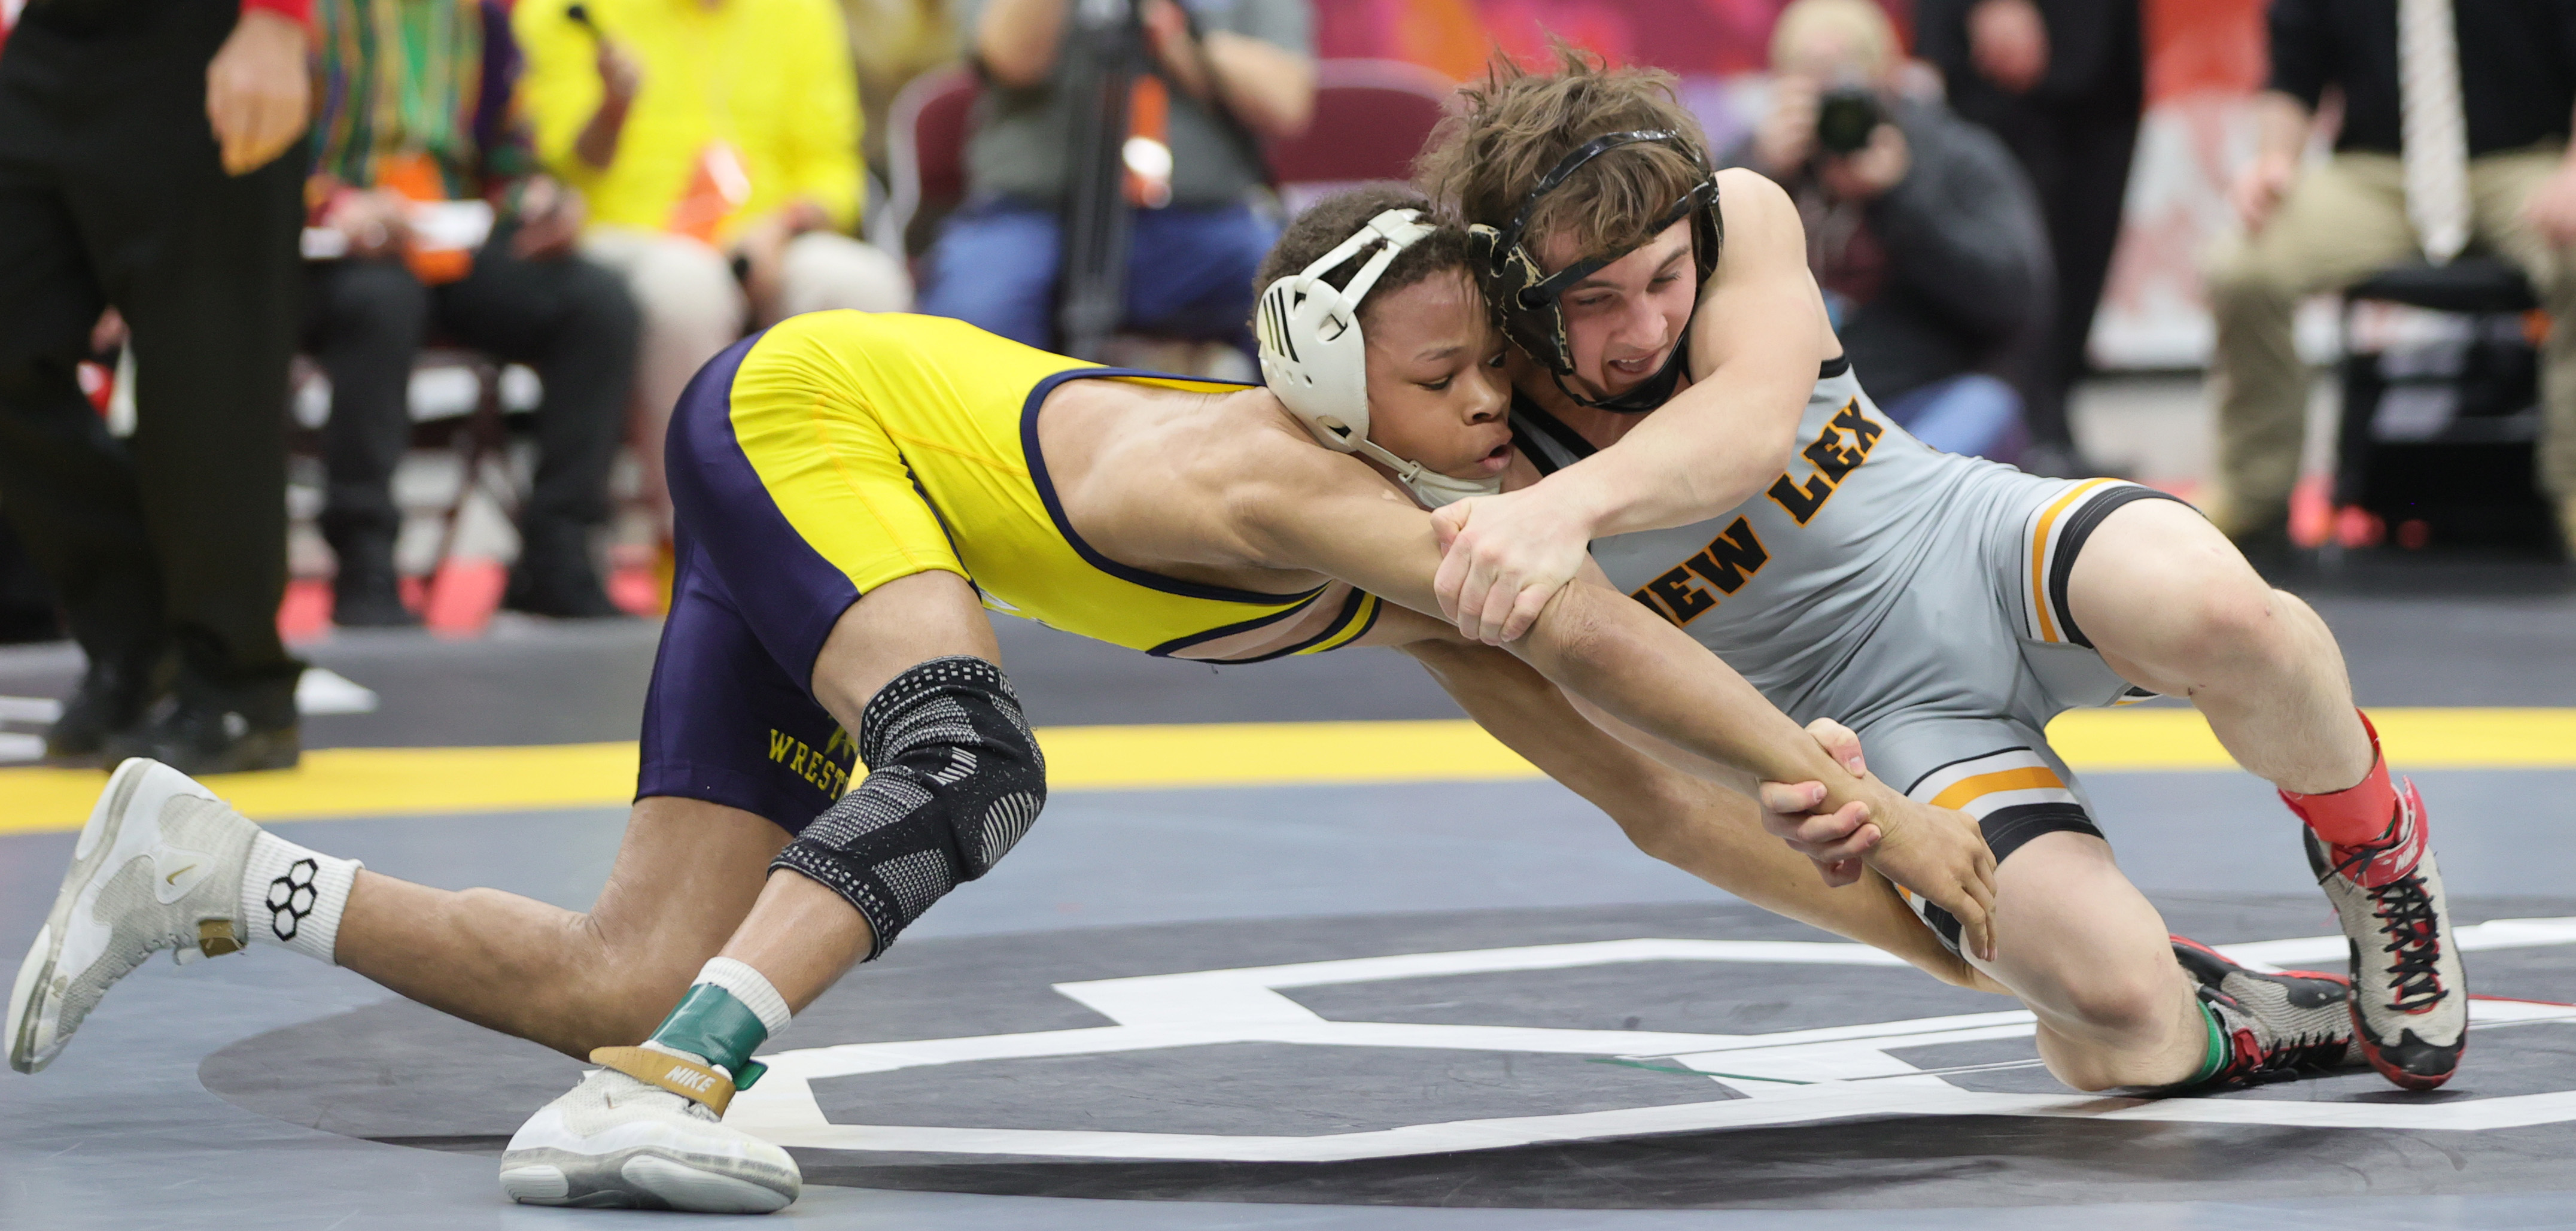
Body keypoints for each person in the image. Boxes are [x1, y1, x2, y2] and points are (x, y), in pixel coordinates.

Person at [10, 187, 2005, 1214]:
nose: (1495, 412)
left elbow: (1654, 802)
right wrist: (1889, 799)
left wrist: (1948, 936)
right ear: (1330, 384)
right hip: (806, 415)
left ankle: (215, 870)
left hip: (844, 494)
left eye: (1498, 367)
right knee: (963, 756)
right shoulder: (1306, 488)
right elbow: (1595, 631)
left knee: (615, 966)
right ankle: (671, 1090)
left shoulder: (1415, 546)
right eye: (1446, 381)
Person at [1416, 48, 2464, 1101]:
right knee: (2117, 1018)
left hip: (1974, 550)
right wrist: (1766, 778)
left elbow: (1745, 429)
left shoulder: (1739, 213)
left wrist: (1560, 508)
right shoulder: (1472, 421)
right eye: (1595, 299)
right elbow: (1607, 690)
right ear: (1511, 287)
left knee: (2232, 613)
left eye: (1663, 278)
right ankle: (2217, 1017)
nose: (1644, 329)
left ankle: (2379, 860)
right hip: (1872, 731)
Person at [0, 0, 314, 773]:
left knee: (209, 376)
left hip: (201, 34)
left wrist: (276, 21)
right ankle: (139, 635)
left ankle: (239, 681)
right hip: (49, 37)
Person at [303, 0, 640, 624]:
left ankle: (556, 553)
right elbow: (260, 147)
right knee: (382, 302)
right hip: (333, 245)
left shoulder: (478, 16)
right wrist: (332, 205)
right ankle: (364, 558)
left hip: (450, 235)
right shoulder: (304, 15)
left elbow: (510, 155)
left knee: (597, 302)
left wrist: (539, 200)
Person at [2201, 0, 2576, 559]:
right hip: (2377, 175)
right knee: (2244, 268)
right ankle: (2252, 494)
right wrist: (2275, 160)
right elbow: (2292, 71)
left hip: (2527, 164)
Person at [513, 0, 913, 524]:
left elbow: (833, 168)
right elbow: (553, 166)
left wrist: (780, 227)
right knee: (688, 286)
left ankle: (855, 526)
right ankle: (698, 538)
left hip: (767, 229)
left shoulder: (803, 13)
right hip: (625, 232)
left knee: (862, 283)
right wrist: (612, 108)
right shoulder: (568, 11)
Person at [1725, 0, 2049, 460]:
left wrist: (1896, 197)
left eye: (1844, 71)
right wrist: (1760, 174)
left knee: (1987, 409)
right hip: (1791, 411)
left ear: (1887, 74)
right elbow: (1688, 285)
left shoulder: (1950, 155)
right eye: (1807, 73)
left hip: (1925, 398)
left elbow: (2014, 296)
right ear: (1780, 83)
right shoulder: (1754, 165)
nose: (1827, 91)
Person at [918, 0, 1314, 356]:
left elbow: (1286, 103)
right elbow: (1011, 58)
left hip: (1201, 221)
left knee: (1297, 313)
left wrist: (1178, 37)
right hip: (1031, 217)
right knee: (974, 318)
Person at [1917, 0, 2143, 480]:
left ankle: (2055, 427)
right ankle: (2020, 436)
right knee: (2016, 253)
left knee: (2084, 244)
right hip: (2005, 47)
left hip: (2103, 47)